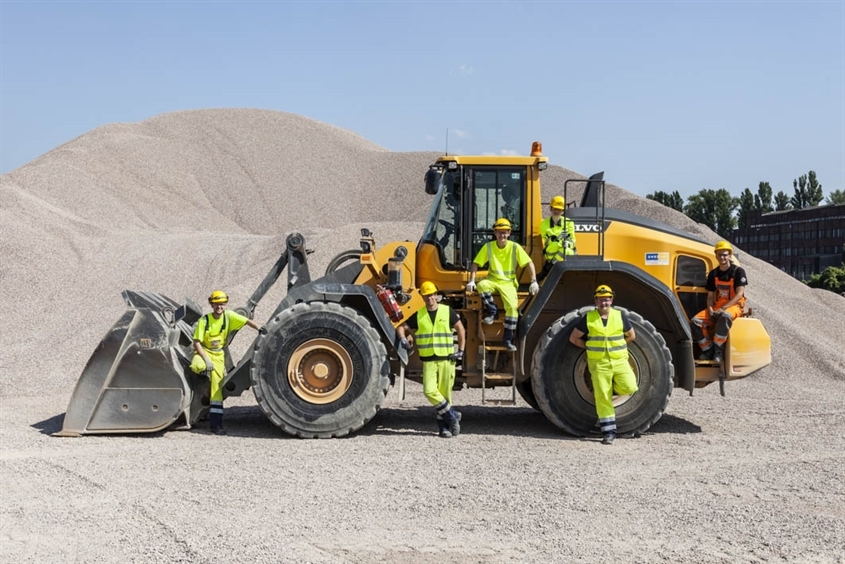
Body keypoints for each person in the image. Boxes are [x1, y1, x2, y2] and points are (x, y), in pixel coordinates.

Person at [568, 285, 638, 445]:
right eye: (600, 299)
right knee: (603, 398)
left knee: (630, 387)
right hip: (599, 364)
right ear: (595, 301)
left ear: (611, 300)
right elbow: (574, 338)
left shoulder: (620, 316)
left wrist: (618, 347)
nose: (603, 303)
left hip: (619, 361)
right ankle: (608, 432)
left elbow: (631, 336)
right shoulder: (589, 318)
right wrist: (590, 347)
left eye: (606, 299)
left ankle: (613, 387)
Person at [396, 281, 466, 438]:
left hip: (447, 360)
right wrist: (403, 339)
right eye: (426, 296)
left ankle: (444, 428)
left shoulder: (447, 311)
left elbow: (461, 329)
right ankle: (452, 415)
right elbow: (401, 327)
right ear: (423, 297)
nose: (430, 298)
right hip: (429, 361)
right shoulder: (419, 314)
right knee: (429, 391)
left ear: (436, 295)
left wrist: (460, 351)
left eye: (432, 295)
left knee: (444, 395)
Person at [191, 290, 264, 435]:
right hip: (205, 352)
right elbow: (196, 342)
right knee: (197, 366)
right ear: (211, 304)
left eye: (222, 304)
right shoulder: (205, 321)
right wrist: (205, 359)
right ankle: (204, 378)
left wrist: (259, 328)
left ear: (226, 304)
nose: (219, 307)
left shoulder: (228, 316)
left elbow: (245, 320)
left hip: (218, 355)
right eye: (216, 304)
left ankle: (216, 425)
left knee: (217, 392)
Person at [466, 218, 539, 352]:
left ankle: (507, 340)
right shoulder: (488, 247)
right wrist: (471, 280)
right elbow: (475, 264)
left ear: (509, 233)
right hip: (493, 280)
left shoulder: (514, 247)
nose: (502, 235)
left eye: (504, 232)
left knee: (512, 308)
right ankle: (492, 311)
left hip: (508, 283)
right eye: (499, 232)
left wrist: (534, 281)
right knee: (482, 285)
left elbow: (529, 263)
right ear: (495, 233)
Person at [690, 240, 747, 363]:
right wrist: (710, 309)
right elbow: (710, 296)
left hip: (735, 306)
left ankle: (718, 350)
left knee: (725, 316)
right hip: (718, 306)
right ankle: (707, 349)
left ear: (730, 255)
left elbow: (739, 295)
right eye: (720, 254)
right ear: (716, 255)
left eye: (725, 254)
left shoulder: (738, 272)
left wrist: (723, 309)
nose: (722, 257)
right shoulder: (713, 274)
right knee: (695, 321)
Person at [538, 195, 576, 280]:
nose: (556, 211)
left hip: (565, 256)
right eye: (554, 208)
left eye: (559, 209)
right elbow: (546, 242)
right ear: (550, 209)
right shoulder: (544, 224)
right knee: (557, 246)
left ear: (562, 211)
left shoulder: (569, 223)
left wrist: (567, 243)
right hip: (551, 254)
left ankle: (550, 267)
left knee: (566, 249)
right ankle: (551, 265)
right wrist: (558, 239)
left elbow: (573, 241)